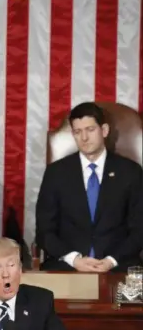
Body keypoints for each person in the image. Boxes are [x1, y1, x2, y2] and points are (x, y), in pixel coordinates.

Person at [36, 102, 143, 272]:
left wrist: (110, 260)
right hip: (68, 266)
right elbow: (44, 231)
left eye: (90, 130)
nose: (84, 138)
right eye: (78, 132)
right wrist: (74, 259)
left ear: (105, 130)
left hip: (118, 265)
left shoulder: (130, 172)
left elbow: (139, 230)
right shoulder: (56, 173)